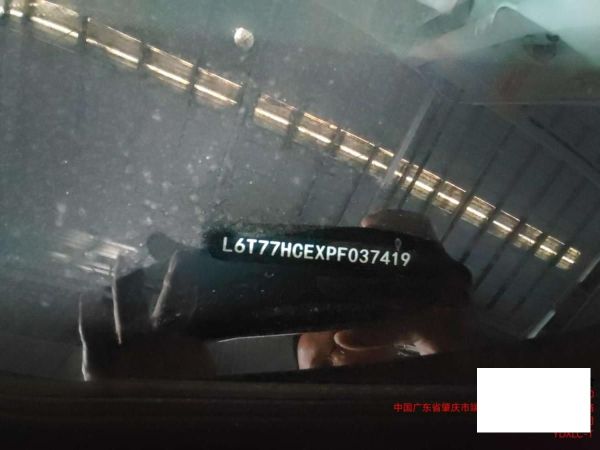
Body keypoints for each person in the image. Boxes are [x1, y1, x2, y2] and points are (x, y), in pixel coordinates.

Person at [79, 209, 477, 379]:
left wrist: (442, 338)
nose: (338, 348)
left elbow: (520, 421)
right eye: (311, 317)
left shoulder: (422, 412)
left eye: (344, 309)